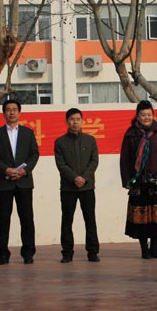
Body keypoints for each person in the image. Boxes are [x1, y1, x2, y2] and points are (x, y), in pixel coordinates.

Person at [120, 100, 157, 259]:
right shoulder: (131, 134)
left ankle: (155, 248)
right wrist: (126, 181)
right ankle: (144, 249)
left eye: (149, 114)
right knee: (141, 218)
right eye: (143, 115)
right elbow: (125, 159)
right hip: (138, 182)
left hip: (156, 181)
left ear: (153, 115)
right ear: (137, 116)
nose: (146, 117)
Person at [0, 99, 40, 265]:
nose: (11, 112)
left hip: (24, 182)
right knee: (3, 219)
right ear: (4, 113)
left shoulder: (28, 133)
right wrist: (6, 169)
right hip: (4, 182)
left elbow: (34, 154)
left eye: (14, 109)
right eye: (8, 110)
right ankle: (2, 254)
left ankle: (28, 253)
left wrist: (25, 171)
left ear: (19, 112)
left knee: (27, 218)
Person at [54, 108, 100, 263]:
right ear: (67, 121)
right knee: (67, 220)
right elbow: (61, 164)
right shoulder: (60, 142)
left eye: (78, 119)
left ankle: (92, 252)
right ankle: (67, 253)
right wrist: (74, 178)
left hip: (87, 187)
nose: (75, 122)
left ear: (82, 121)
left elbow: (94, 161)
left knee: (90, 220)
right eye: (72, 119)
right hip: (68, 188)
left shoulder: (90, 140)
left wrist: (84, 178)